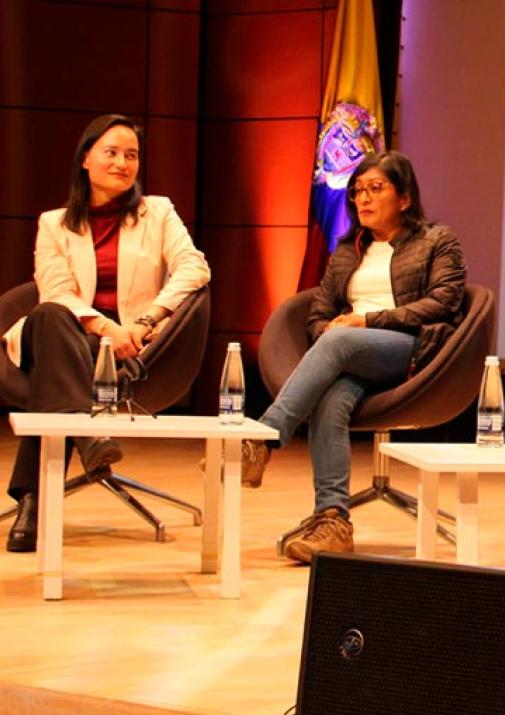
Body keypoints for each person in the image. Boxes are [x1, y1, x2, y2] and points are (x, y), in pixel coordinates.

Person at [243, 151, 466, 564]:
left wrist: (367, 321)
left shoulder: (438, 240)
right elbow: (318, 315)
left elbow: (444, 302)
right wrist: (331, 331)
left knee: (337, 341)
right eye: (358, 191)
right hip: (352, 353)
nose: (363, 199)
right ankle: (332, 521)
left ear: (404, 198)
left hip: (412, 349)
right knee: (331, 397)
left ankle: (264, 436)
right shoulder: (347, 251)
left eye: (375, 189)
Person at [2, 114, 210, 553]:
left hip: (134, 348)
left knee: (51, 378)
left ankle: (33, 501)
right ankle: (87, 434)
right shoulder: (53, 223)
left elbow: (195, 266)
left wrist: (146, 321)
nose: (122, 163)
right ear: (85, 160)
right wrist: (103, 327)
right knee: (50, 315)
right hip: (68, 336)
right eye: (111, 153)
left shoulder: (157, 211)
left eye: (131, 155)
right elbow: (56, 289)